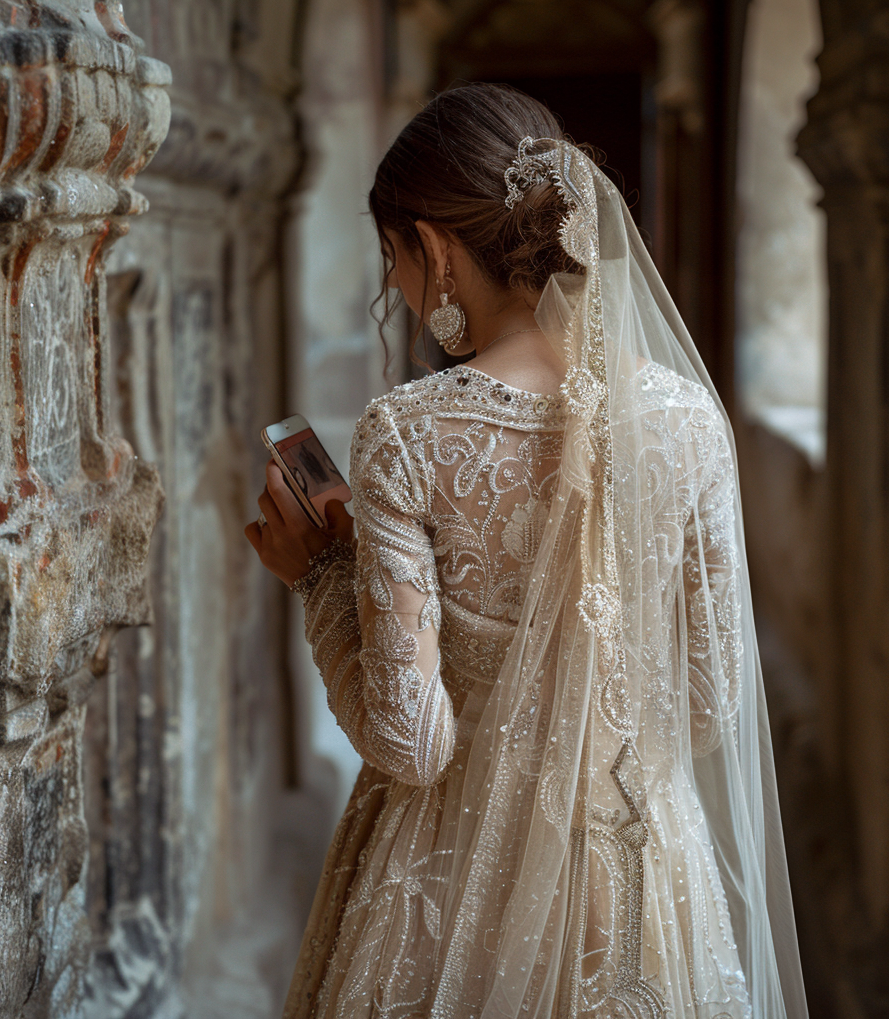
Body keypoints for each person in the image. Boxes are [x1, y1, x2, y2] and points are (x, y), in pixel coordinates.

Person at [245, 83, 808, 1019]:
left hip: (454, 884)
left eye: (394, 258)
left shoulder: (408, 435)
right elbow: (711, 706)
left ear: (433, 246)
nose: (396, 288)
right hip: (638, 886)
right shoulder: (690, 420)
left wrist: (319, 576)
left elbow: (413, 746)